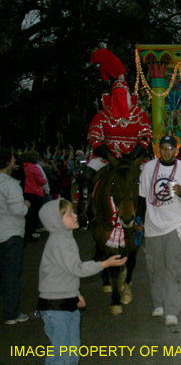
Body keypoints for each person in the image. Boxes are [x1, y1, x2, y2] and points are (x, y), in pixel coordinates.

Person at [37, 199, 126, 362]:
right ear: (56, 221)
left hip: (66, 301)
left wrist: (75, 293)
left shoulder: (65, 238)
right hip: (56, 306)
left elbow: (65, 272)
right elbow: (76, 269)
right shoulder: (59, 241)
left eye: (73, 212)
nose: (75, 216)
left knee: (71, 351)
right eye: (68, 214)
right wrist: (104, 264)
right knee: (61, 353)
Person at [82, 48, 153, 219]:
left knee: (151, 178)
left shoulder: (139, 114)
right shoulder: (102, 115)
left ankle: (153, 212)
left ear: (129, 96)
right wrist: (110, 156)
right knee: (86, 175)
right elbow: (94, 139)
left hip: (135, 158)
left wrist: (134, 155)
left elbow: (146, 137)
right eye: (116, 95)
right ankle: (84, 210)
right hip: (107, 157)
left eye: (122, 94)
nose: (119, 97)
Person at [138, 135, 181, 327]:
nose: (166, 151)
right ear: (158, 149)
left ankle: (172, 310)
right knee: (156, 268)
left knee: (174, 269)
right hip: (152, 226)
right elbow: (141, 196)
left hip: (175, 225)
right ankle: (159, 304)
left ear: (176, 149)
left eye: (170, 148)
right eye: (163, 147)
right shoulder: (148, 168)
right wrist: (139, 219)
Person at [1, 148, 31, 324]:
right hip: (11, 233)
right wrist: (26, 204)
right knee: (11, 274)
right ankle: (11, 313)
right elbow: (18, 210)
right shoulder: (10, 184)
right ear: (9, 161)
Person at [22, 150, 46, 241]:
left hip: (26, 191)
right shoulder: (35, 168)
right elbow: (41, 181)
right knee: (34, 215)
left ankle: (27, 232)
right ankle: (30, 233)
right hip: (35, 192)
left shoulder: (24, 167)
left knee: (28, 215)